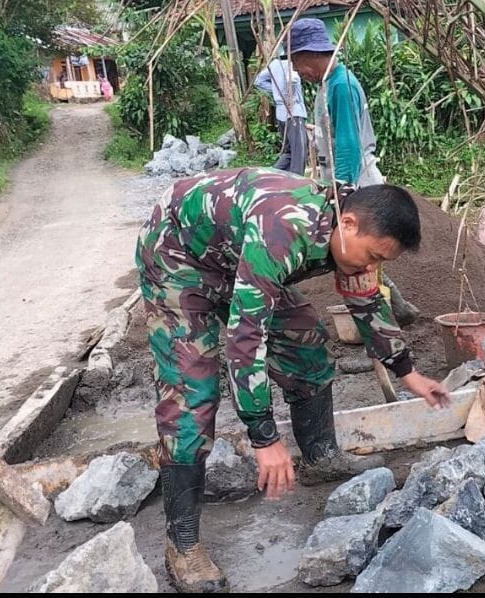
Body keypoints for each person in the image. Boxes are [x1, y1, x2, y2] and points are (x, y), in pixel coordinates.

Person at [136, 167, 450, 593]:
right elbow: (246, 338)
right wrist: (264, 437)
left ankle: (320, 457)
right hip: (178, 257)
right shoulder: (284, 229)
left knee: (307, 342)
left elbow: (366, 300)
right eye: (374, 256)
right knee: (191, 391)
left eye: (382, 261)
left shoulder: (348, 228)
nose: (373, 265)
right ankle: (183, 544)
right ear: (350, 223)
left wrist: (407, 372)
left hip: (237, 257)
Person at [285, 18, 420, 326]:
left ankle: (387, 319)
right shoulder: (328, 85)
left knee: (364, 261)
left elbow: (347, 144)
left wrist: (340, 191)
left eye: (296, 62)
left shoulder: (341, 86)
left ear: (311, 53)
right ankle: (394, 313)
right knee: (358, 262)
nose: (296, 71)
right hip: (344, 183)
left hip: (356, 186)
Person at [253, 51, 308, 174]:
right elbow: (292, 80)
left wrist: (276, 92)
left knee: (288, 151)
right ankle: (296, 182)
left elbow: (258, 81)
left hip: (281, 113)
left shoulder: (274, 64)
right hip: (294, 113)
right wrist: (290, 97)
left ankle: (273, 174)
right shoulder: (292, 64)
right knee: (299, 152)